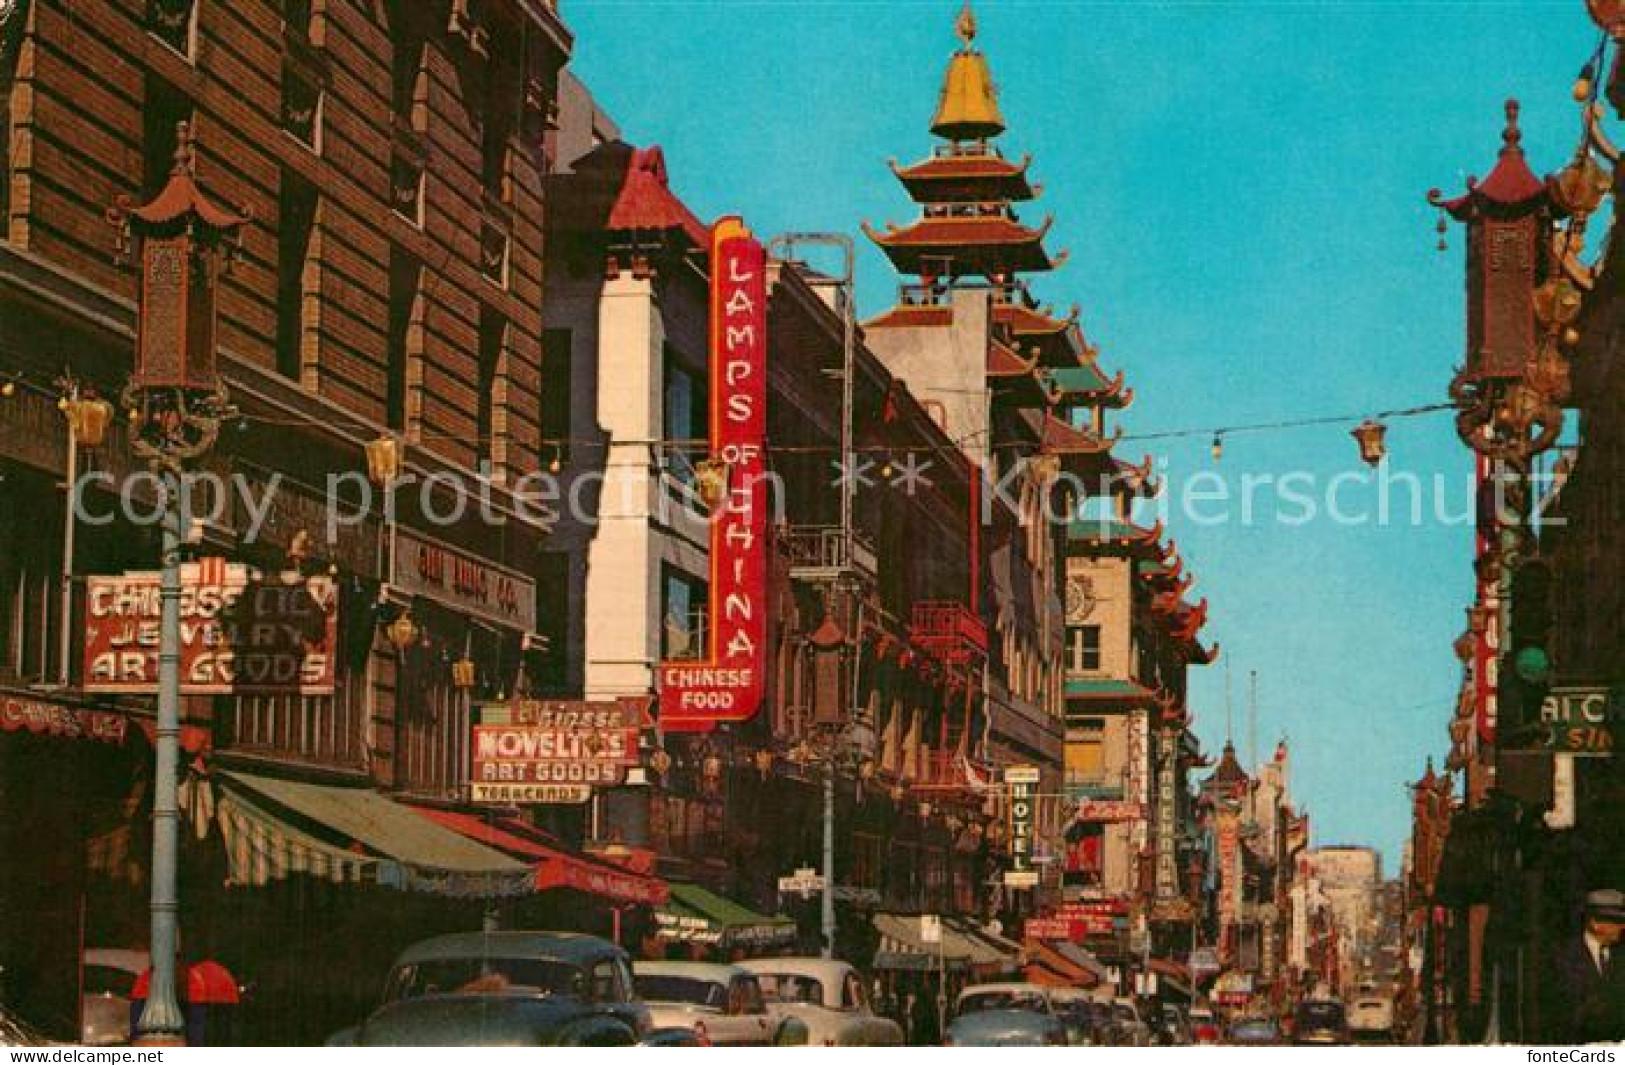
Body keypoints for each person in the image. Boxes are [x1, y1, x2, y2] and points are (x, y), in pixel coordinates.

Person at [1544, 888, 1625, 1044]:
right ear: (1595, 923)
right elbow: (1566, 1010)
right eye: (1616, 922)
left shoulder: (1621, 956)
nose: (1622, 927)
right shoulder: (1563, 957)